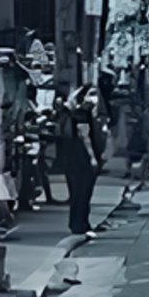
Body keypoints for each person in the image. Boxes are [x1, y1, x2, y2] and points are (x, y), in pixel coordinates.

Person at [58, 85, 101, 236]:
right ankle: (79, 224)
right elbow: (85, 137)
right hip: (81, 159)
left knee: (78, 193)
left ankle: (81, 222)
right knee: (82, 193)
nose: (94, 98)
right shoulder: (81, 114)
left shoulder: (74, 113)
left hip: (71, 158)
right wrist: (92, 158)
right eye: (91, 94)